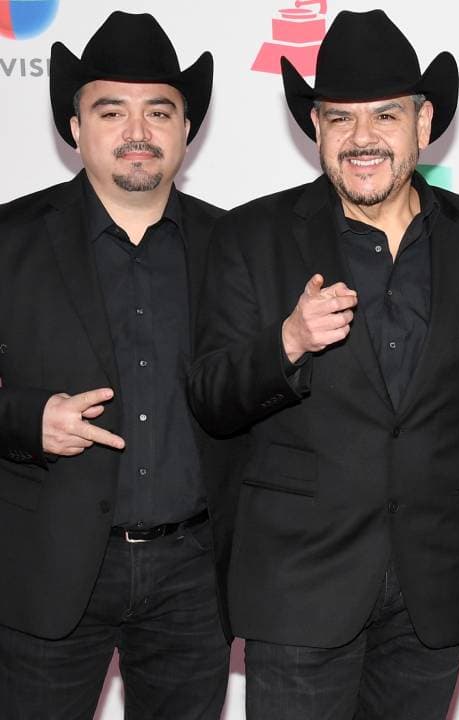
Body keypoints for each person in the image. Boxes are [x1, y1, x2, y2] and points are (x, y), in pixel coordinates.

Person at [186, 10, 459, 719]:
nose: (362, 138)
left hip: (435, 587)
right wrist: (286, 343)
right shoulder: (250, 235)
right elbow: (210, 396)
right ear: (316, 127)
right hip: (299, 587)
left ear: (424, 123)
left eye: (385, 116)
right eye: (340, 118)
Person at [0, 12, 234, 719]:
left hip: (194, 578)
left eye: (158, 111)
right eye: (111, 111)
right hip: (46, 566)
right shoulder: (9, 240)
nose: (138, 130)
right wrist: (26, 418)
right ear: (75, 128)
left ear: (186, 129)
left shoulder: (235, 244)